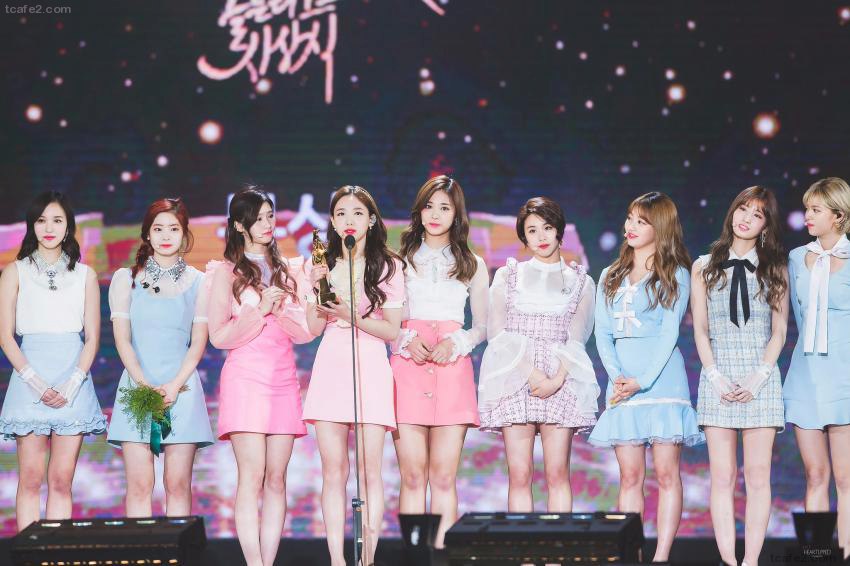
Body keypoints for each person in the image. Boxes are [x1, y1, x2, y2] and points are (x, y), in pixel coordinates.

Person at [589, 191, 701, 563]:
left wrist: (643, 380)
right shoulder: (609, 275)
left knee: (667, 474)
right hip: (623, 385)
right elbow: (602, 333)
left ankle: (662, 556)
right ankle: (632, 554)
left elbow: (670, 334)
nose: (631, 227)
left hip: (663, 381)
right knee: (629, 476)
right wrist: (618, 377)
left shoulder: (676, 273)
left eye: (641, 221)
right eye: (630, 218)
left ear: (661, 227)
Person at [207, 188, 315, 566]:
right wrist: (258, 310)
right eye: (259, 218)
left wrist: (284, 309)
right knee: (251, 477)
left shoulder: (290, 269)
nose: (268, 224)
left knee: (276, 479)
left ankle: (268, 561)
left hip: (283, 378)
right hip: (245, 379)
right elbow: (219, 336)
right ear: (240, 225)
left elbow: (305, 333)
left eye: (270, 216)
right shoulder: (225, 272)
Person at [303, 185, 404, 566]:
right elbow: (314, 327)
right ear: (332, 221)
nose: (349, 220)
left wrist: (350, 314)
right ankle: (336, 559)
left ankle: (368, 558)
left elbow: (391, 330)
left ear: (372, 220)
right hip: (331, 361)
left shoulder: (389, 266)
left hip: (371, 362)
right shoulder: (319, 263)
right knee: (333, 470)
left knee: (369, 470)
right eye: (342, 213)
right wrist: (316, 287)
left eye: (358, 213)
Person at [478, 196, 599, 513]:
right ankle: (525, 545)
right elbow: (497, 333)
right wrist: (531, 374)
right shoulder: (508, 275)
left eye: (547, 227)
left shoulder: (581, 281)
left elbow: (578, 337)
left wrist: (556, 379)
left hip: (561, 379)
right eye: (532, 231)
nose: (541, 237)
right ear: (524, 236)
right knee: (520, 475)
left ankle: (557, 545)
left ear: (559, 229)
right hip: (516, 377)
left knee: (558, 474)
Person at [692, 186, 788, 566]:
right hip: (717, 377)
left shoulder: (775, 266)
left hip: (760, 379)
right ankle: (728, 561)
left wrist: (757, 378)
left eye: (757, 214)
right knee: (722, 476)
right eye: (742, 209)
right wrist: (715, 376)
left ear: (766, 225)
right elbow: (700, 329)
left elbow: (779, 331)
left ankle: (751, 561)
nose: (746, 218)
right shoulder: (703, 266)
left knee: (759, 475)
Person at [0, 191, 106, 531]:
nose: (49, 228)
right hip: (28, 379)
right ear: (32, 226)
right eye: (42, 220)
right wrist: (37, 384)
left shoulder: (85, 275)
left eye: (57, 220)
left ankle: (57, 552)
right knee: (30, 479)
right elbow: (5, 336)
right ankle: (29, 552)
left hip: (72, 380)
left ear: (68, 227)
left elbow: (92, 338)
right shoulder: (15, 272)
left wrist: (70, 385)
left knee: (61, 480)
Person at [392, 175, 488, 547]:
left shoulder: (473, 263)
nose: (435, 214)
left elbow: (483, 325)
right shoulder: (398, 261)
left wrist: (457, 341)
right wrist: (405, 339)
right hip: (408, 368)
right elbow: (385, 318)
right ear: (419, 211)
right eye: (429, 206)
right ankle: (416, 555)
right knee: (413, 476)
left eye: (444, 208)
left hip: (452, 370)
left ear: (456, 214)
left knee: (444, 477)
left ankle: (443, 554)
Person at [106, 198, 214, 517]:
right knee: (140, 485)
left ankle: (177, 547)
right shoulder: (125, 279)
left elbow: (198, 342)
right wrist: (145, 386)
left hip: (182, 388)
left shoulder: (200, 282)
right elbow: (122, 340)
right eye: (158, 228)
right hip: (138, 388)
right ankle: (142, 547)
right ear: (147, 234)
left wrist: (174, 385)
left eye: (174, 229)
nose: (166, 235)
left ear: (184, 234)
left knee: (177, 485)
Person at [783, 177, 850, 556]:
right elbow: (798, 316)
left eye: (816, 210)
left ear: (838, 216)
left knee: (846, 478)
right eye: (807, 209)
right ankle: (817, 555)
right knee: (815, 474)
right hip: (806, 376)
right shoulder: (797, 258)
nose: (807, 216)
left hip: (844, 377)